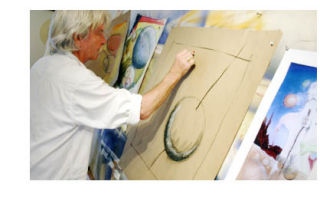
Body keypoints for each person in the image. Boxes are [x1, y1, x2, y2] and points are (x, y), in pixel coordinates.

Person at [30, 10, 195, 179]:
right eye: (99, 32)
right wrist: (175, 73)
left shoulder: (42, 65)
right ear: (79, 37)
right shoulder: (76, 80)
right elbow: (142, 108)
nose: (104, 40)